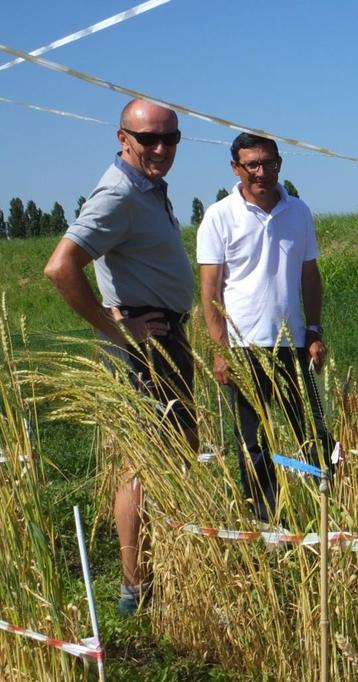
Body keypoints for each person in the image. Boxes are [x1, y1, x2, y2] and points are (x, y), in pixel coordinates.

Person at [44, 98, 195, 615]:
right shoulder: (119, 193)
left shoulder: (147, 188)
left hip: (163, 336)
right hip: (144, 343)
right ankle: (136, 588)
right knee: (142, 461)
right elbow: (61, 267)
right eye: (147, 138)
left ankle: (163, 571)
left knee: (169, 457)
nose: (159, 148)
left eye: (168, 139)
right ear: (121, 137)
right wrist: (119, 327)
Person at [197, 133, 332, 522]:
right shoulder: (219, 215)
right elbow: (210, 288)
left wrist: (315, 330)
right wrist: (220, 350)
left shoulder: (299, 212)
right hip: (243, 348)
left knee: (311, 431)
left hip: (292, 344)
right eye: (251, 165)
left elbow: (310, 276)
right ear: (235, 168)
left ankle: (320, 508)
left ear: (279, 164)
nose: (261, 172)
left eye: (268, 163)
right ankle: (267, 517)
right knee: (253, 439)